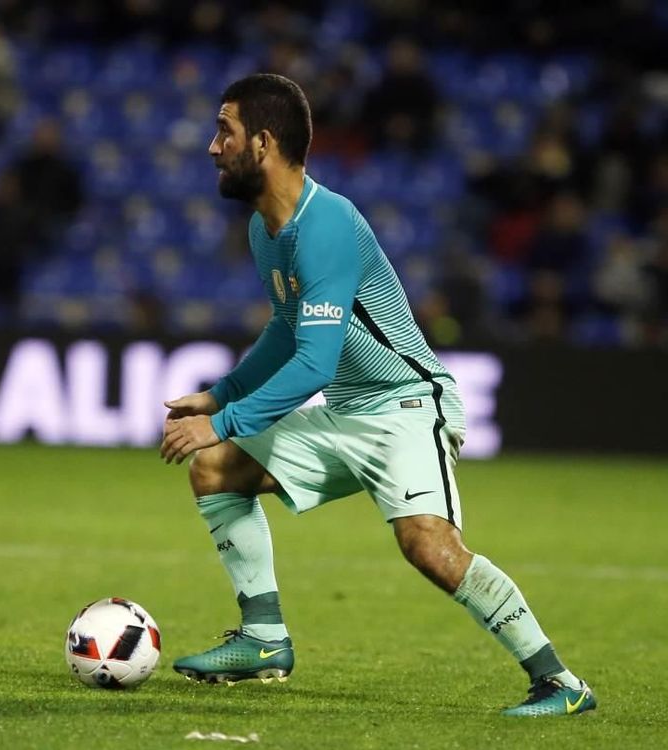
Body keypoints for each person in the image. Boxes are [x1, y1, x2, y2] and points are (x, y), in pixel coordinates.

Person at [160, 74, 594, 717]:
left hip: (405, 406)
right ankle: (263, 638)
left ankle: (560, 683)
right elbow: (288, 328)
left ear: (264, 142)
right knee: (217, 468)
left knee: (428, 546)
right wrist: (221, 393)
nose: (211, 145)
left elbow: (313, 363)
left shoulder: (326, 224)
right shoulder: (265, 228)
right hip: (346, 409)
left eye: (225, 129)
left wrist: (226, 418)